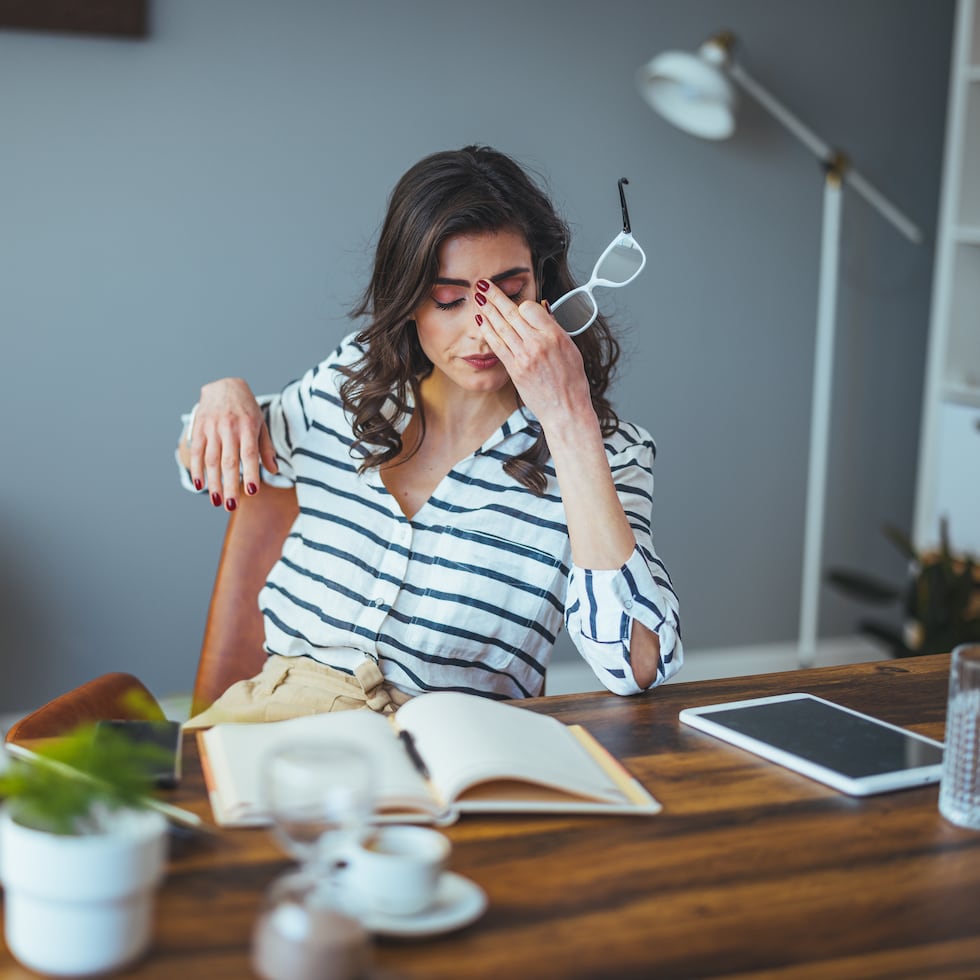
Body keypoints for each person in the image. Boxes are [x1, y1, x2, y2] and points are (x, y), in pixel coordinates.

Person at [177, 145, 682, 726]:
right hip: (273, 724)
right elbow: (201, 456)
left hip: (452, 750)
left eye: (511, 294)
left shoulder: (612, 454)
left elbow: (637, 666)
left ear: (543, 287)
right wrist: (223, 397)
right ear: (409, 300)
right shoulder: (352, 388)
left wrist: (569, 422)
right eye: (449, 299)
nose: (482, 329)